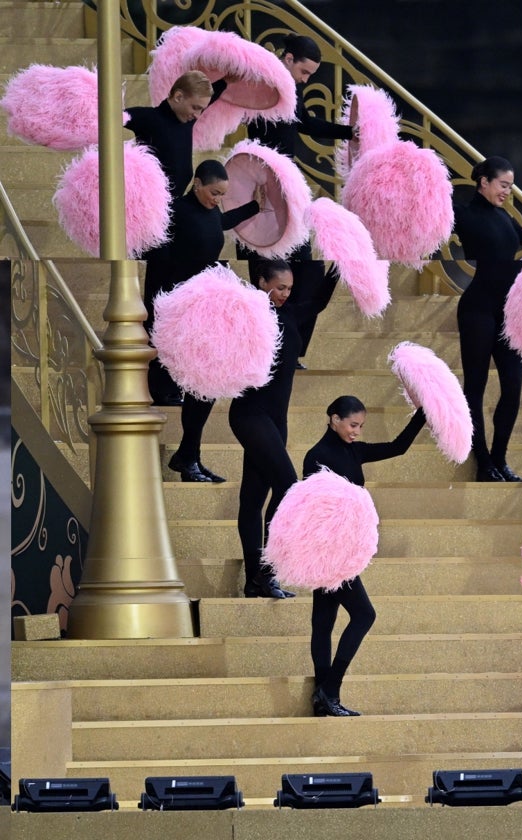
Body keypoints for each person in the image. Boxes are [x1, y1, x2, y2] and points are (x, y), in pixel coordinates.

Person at [302, 395, 427, 716]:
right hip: (330, 553)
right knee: (363, 615)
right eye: (352, 424)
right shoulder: (316, 457)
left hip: (343, 550)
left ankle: (323, 697)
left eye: (361, 426)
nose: (357, 431)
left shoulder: (353, 450)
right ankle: (329, 690)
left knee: (325, 621)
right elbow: (314, 509)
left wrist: (423, 412)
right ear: (334, 419)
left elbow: (398, 447)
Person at [245, 33, 359, 366]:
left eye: (310, 75)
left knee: (308, 267)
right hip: (262, 179)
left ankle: (291, 346)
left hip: (288, 181)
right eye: (304, 72)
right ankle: (265, 348)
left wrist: (347, 132)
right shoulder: (262, 83)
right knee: (262, 262)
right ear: (289, 58)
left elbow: (305, 123)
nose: (305, 79)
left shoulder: (291, 90)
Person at [145, 159, 262, 482]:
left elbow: (219, 223)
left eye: (222, 194)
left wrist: (254, 206)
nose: (217, 199)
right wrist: (160, 310)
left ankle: (189, 455)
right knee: (202, 385)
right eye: (214, 192)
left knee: (207, 385)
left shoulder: (208, 210)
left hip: (202, 308)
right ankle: (188, 455)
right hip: (178, 308)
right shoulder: (175, 212)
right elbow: (157, 261)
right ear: (196, 183)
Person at [453, 155, 522, 482]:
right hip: (477, 311)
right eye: (503, 185)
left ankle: (500, 459)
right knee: (476, 387)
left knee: (513, 388)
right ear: (483, 182)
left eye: (511, 187)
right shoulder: (464, 214)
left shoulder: (504, 216)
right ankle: (482, 461)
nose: (507, 192)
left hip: (507, 315)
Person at [229, 260, 301, 599]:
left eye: (289, 288)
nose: (285, 294)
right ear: (261, 282)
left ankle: (254, 581)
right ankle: (265, 572)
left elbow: (315, 304)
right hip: (250, 413)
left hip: (276, 419)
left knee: (253, 499)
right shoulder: (250, 314)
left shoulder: (288, 315)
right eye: (279, 287)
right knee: (288, 485)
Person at [125, 70, 225, 197]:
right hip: (149, 203)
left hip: (175, 203)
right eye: (195, 108)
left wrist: (227, 80)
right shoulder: (149, 118)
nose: (197, 115)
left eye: (201, 109)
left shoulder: (186, 119)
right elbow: (110, 118)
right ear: (178, 97)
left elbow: (213, 94)